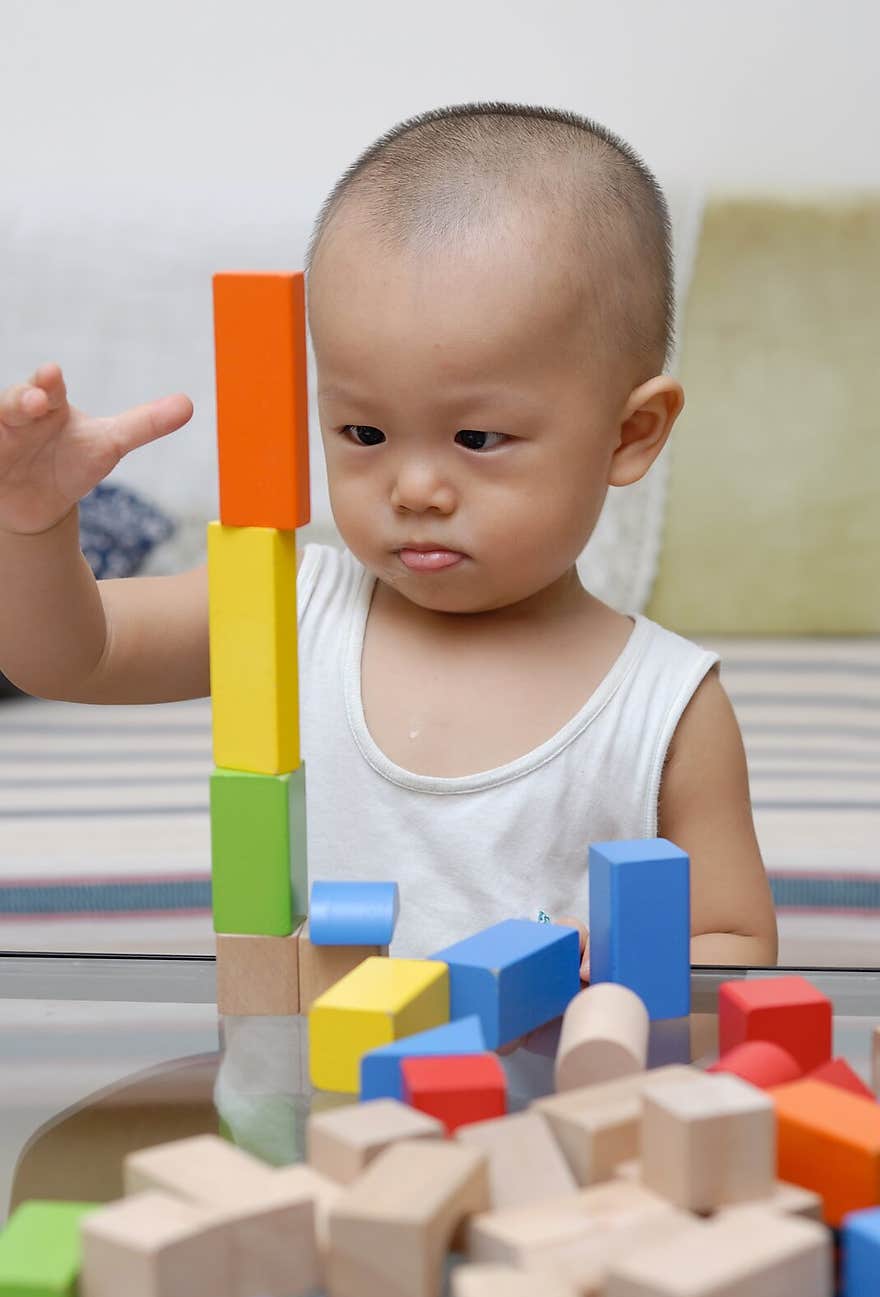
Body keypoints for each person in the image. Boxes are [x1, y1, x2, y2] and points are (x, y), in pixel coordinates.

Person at [0, 101, 779, 976]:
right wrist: (34, 525)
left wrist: (622, 960)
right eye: (364, 435)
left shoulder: (666, 708)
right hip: (310, 1100)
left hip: (544, 1104)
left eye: (477, 440)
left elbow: (735, 946)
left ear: (630, 435)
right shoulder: (288, 608)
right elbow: (67, 657)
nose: (412, 490)